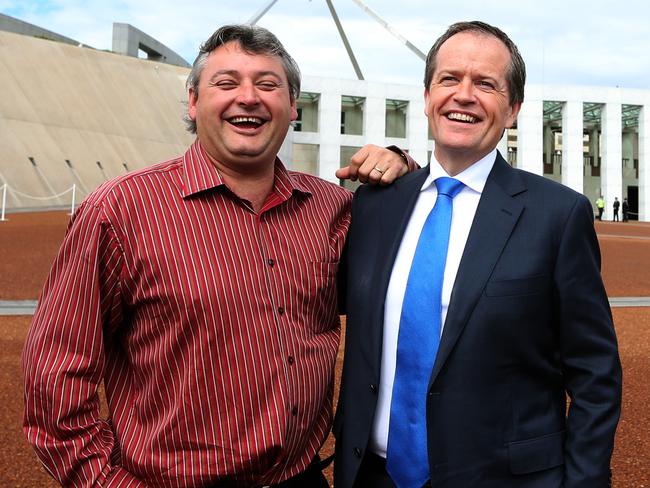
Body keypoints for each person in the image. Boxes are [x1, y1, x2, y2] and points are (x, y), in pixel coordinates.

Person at [21, 24, 411, 487]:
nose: (248, 97)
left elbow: (418, 267)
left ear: (291, 108)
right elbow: (56, 379)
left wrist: (404, 171)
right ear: (193, 102)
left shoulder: (333, 209)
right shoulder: (120, 211)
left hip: (301, 478)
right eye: (226, 83)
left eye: (268, 84)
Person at [334, 21, 622, 488]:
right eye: (449, 79)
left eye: (485, 84)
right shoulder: (375, 205)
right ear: (427, 96)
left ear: (513, 109)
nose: (463, 95)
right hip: (373, 475)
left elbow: (595, 371)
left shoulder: (558, 214)